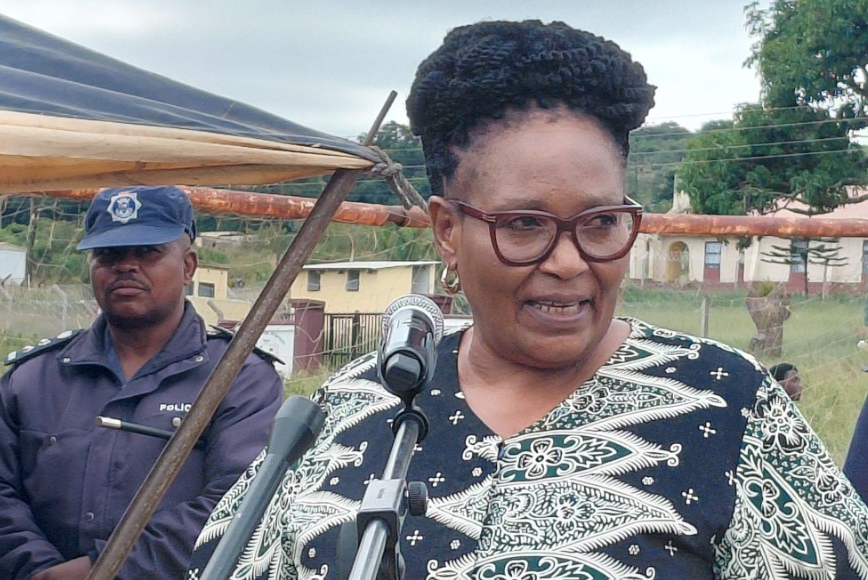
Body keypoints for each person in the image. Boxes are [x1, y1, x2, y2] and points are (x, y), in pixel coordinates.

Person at [188, 21, 868, 580]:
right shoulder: (349, 409)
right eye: (523, 224)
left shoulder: (727, 404)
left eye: (601, 222)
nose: (569, 262)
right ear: (447, 231)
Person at [0, 185, 284, 579]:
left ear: (188, 266)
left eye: (148, 252)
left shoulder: (239, 377)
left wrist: (103, 572)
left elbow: (241, 501)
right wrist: (38, 571)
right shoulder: (33, 378)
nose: (126, 266)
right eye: (109, 254)